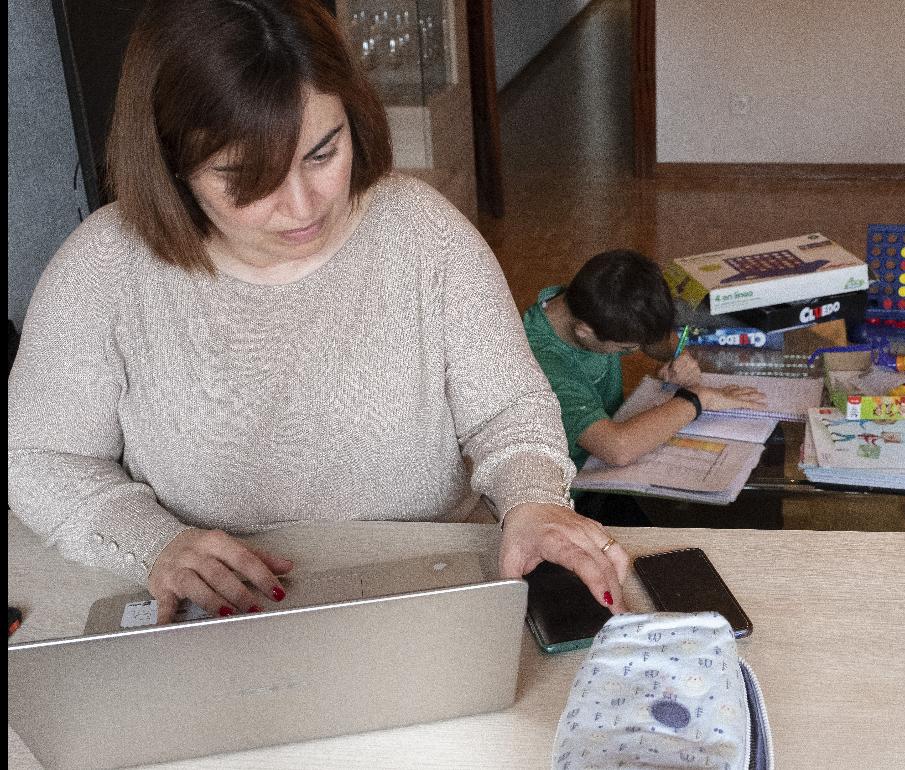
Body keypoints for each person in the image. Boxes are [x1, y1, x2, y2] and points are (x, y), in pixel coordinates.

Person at [6, 0, 628, 622]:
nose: (302, 207)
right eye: (246, 178)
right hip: (219, 612)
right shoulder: (103, 269)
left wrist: (533, 500)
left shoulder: (423, 233)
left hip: (420, 589)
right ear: (171, 167)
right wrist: (154, 542)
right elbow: (39, 458)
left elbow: (508, 410)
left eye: (322, 153)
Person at [523, 250, 764, 525]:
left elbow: (655, 339)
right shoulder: (543, 364)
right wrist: (697, 399)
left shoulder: (590, 299)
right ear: (584, 330)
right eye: (626, 347)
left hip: (607, 466)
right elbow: (617, 448)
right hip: (569, 498)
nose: (636, 350)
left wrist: (677, 356)